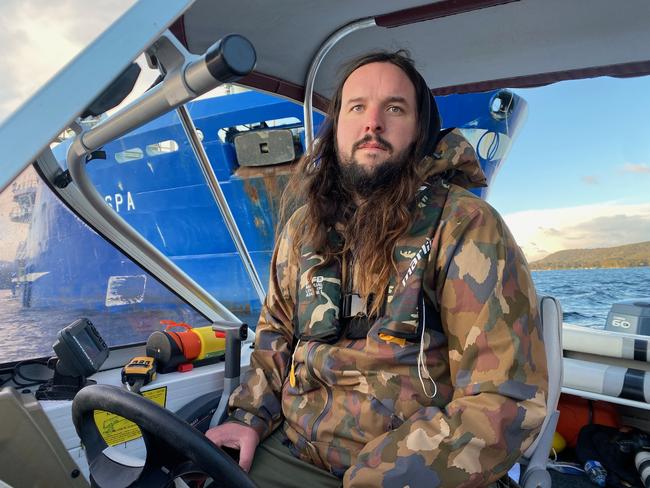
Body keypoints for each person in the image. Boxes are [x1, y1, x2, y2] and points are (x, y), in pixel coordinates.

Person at [206, 50, 548, 487]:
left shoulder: (466, 226)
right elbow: (276, 334)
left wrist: (382, 477)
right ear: (337, 129)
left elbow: (506, 399)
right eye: (357, 107)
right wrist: (247, 416)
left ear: (419, 130)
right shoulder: (302, 227)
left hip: (415, 471)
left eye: (394, 107)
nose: (373, 123)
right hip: (292, 448)